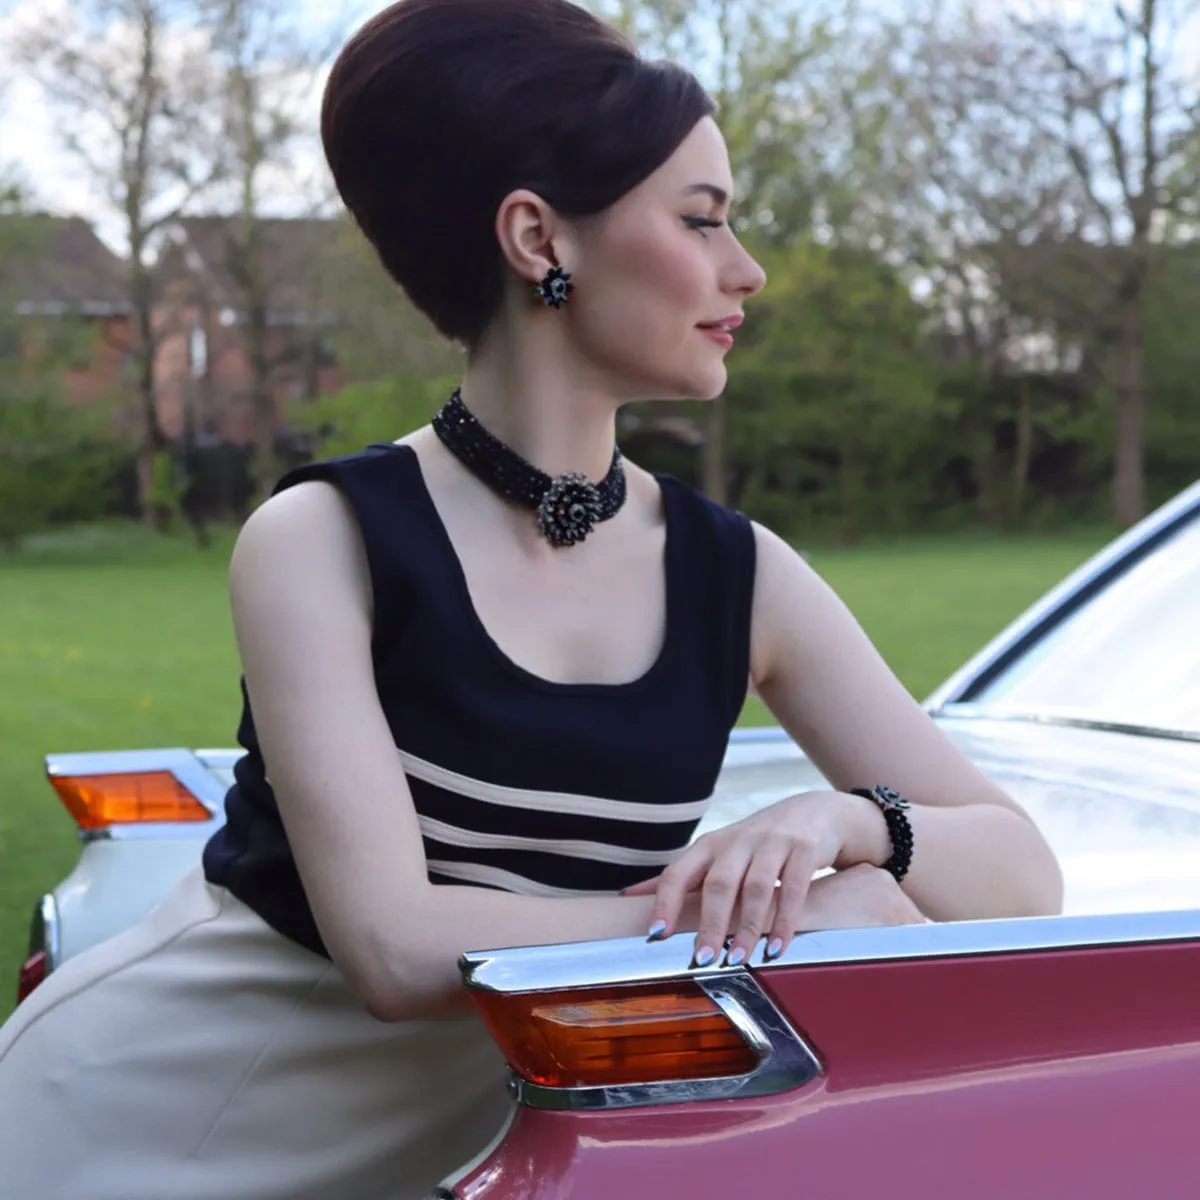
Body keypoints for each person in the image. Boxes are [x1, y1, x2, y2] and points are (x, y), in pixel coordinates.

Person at [0, 0, 1064, 1195]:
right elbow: (397, 953)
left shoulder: (740, 573)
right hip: (163, 1122)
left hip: (475, 1155)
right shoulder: (323, 538)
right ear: (538, 238)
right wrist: (793, 925)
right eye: (701, 220)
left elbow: (1021, 877)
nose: (744, 270)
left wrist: (850, 828)